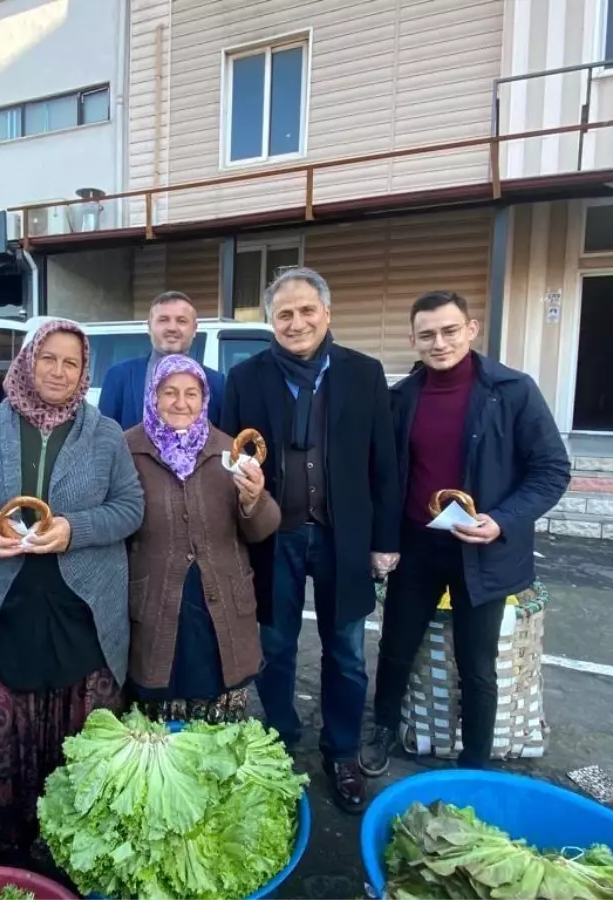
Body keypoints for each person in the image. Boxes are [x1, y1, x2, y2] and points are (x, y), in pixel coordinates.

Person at [0, 318, 144, 855]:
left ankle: (74, 841)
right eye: (48, 357)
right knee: (9, 728)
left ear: (83, 372)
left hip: (81, 609)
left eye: (70, 362)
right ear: (28, 360)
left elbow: (131, 508)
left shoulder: (105, 433)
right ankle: (9, 838)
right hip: (4, 607)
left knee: (78, 730)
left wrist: (76, 529)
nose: (58, 371)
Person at [359, 290, 570, 776]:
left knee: (477, 666)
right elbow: (386, 477)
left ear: (471, 329)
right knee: (395, 649)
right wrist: (382, 540)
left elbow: (552, 470)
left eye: (450, 330)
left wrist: (501, 520)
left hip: (484, 550)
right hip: (417, 546)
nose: (439, 342)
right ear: (413, 340)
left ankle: (475, 762)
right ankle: (383, 729)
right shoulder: (400, 398)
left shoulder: (513, 391)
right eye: (427, 334)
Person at [221, 267, 401, 814]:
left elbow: (384, 463)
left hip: (344, 536)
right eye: (284, 314)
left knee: (346, 652)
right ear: (271, 321)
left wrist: (384, 540)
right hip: (276, 534)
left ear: (327, 313)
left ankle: (342, 751)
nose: (296, 323)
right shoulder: (248, 377)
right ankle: (280, 738)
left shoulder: (363, 373)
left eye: (306, 311)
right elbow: (231, 462)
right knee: (273, 649)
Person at [125, 354, 280, 724]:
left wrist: (253, 499)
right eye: (170, 392)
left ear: (204, 397)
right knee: (160, 718)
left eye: (191, 393)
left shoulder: (228, 450)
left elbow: (264, 527)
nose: (181, 403)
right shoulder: (127, 449)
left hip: (219, 601)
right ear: (154, 396)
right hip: (156, 601)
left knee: (218, 721)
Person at [99, 291, 225, 429]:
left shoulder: (217, 382)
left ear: (194, 329)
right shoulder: (118, 376)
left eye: (181, 321)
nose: (172, 328)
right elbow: (104, 439)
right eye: (163, 320)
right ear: (149, 327)